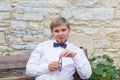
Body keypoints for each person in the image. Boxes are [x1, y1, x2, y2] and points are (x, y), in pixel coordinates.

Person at [26, 17, 92, 80]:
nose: (60, 34)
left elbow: (86, 76)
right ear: (52, 32)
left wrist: (75, 57)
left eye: (63, 30)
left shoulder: (77, 51)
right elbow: (29, 70)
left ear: (69, 30)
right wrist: (47, 68)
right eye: (56, 31)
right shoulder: (42, 46)